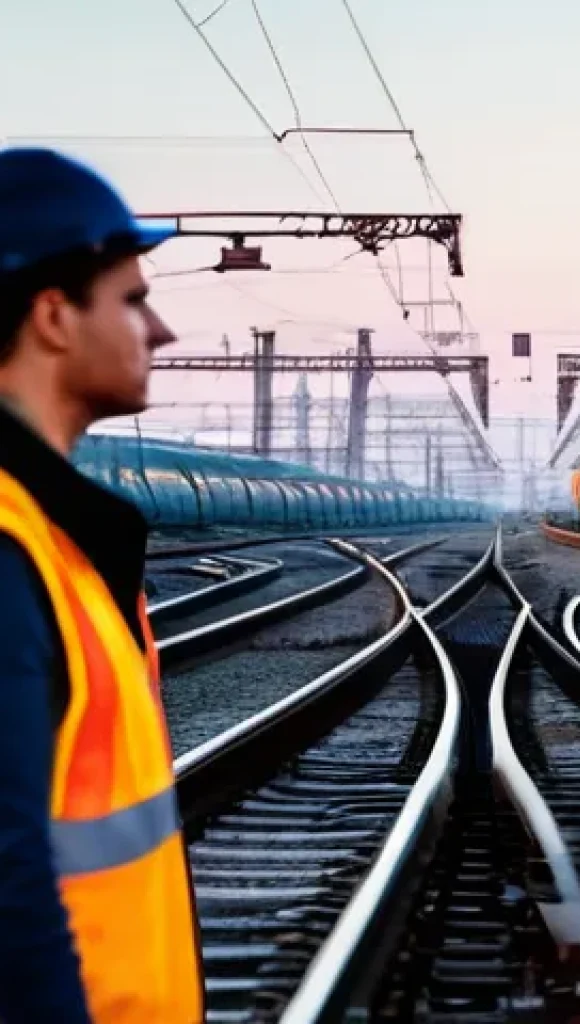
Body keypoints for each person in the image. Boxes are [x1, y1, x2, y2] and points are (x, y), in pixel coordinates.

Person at [0, 148, 203, 1022]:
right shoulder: (9, 547)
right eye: (132, 299)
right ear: (53, 316)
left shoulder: (54, 535)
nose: (160, 332)